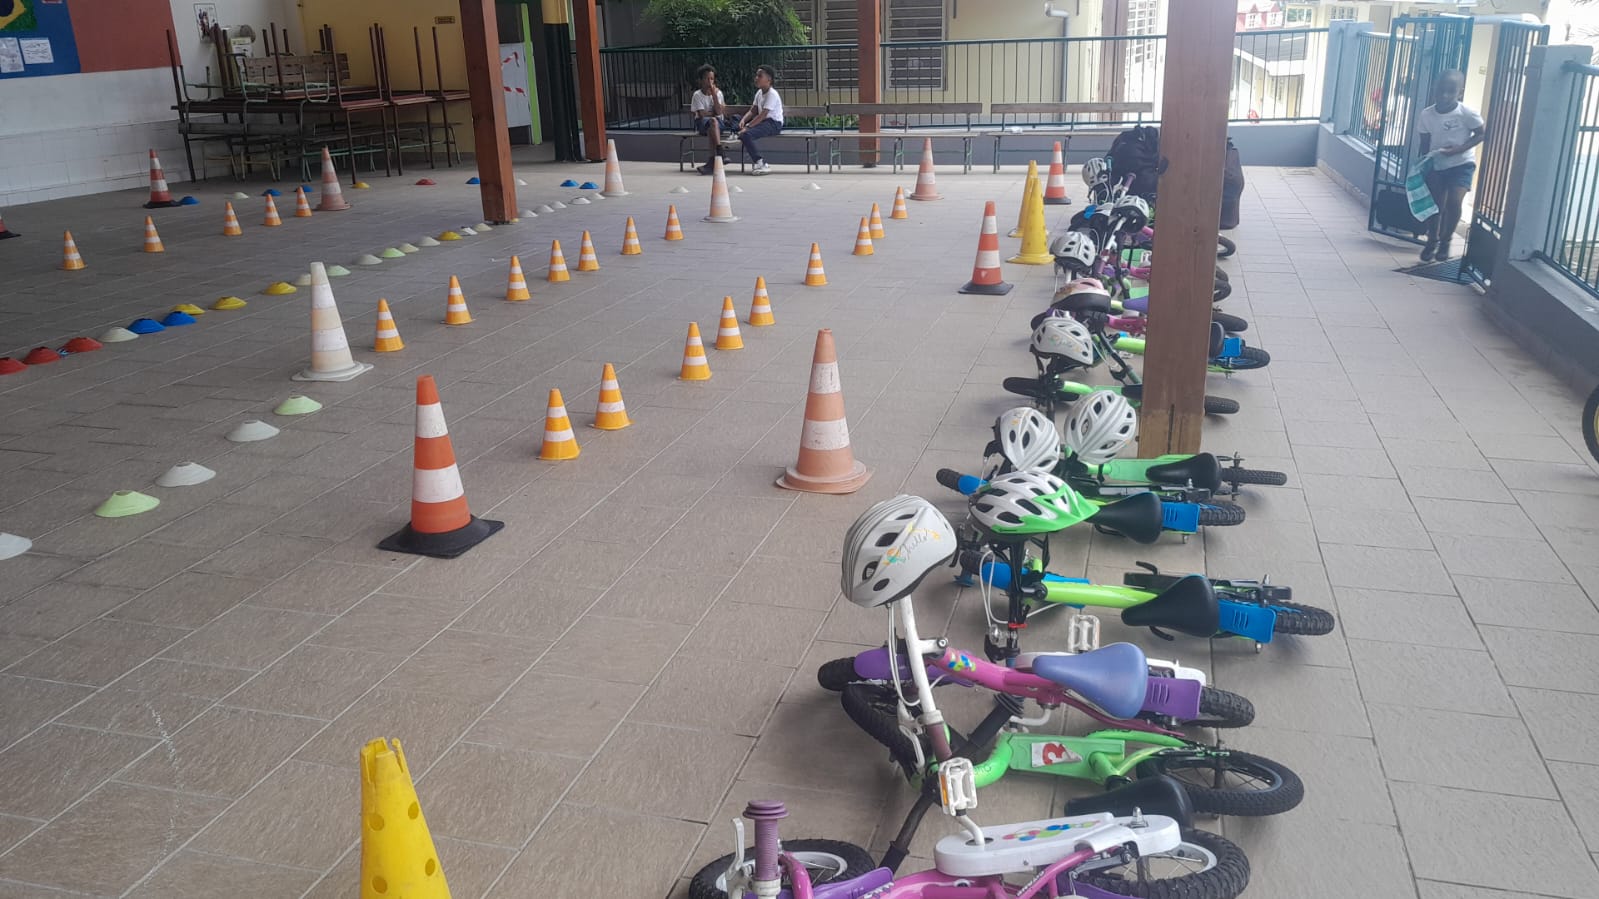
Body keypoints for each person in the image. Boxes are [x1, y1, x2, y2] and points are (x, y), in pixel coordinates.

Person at [1417, 70, 1486, 262]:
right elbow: (1424, 142)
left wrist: (1459, 150)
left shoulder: (1466, 113)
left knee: (1454, 201)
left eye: (1451, 91)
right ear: (1434, 90)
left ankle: (1446, 240)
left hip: (1461, 164)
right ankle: (1432, 240)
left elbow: (1481, 133)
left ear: (1460, 93)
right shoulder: (1427, 115)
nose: (1445, 95)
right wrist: (1423, 167)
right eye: (1441, 90)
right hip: (1436, 164)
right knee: (1436, 205)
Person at [690, 64, 737, 175]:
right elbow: (702, 114)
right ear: (701, 80)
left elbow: (720, 112)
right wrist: (714, 113)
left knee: (713, 124)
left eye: (712, 78)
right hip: (702, 123)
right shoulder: (697, 95)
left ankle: (711, 162)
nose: (710, 81)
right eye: (707, 78)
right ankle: (720, 153)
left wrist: (714, 95)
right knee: (712, 123)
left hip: (717, 123)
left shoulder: (718, 93)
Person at [737, 65, 784, 175]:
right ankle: (736, 133)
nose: (756, 78)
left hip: (773, 124)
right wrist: (743, 120)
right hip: (763, 122)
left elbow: (762, 115)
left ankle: (761, 163)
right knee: (736, 121)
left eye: (760, 76)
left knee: (746, 135)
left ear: (768, 80)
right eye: (756, 75)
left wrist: (748, 127)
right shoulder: (759, 93)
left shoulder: (772, 94)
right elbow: (753, 111)